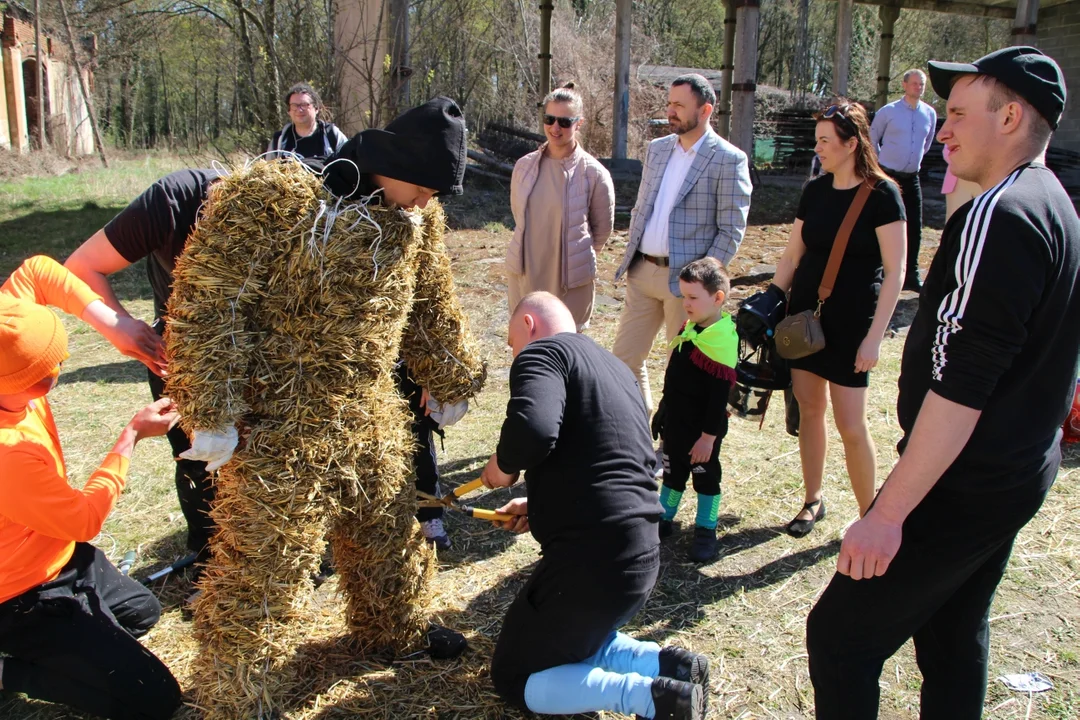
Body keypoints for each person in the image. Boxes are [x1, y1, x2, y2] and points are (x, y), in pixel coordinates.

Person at [807, 47, 1080, 719]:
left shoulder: (999, 214)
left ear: (1010, 117)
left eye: (957, 114)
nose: (942, 131)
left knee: (839, 638)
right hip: (1016, 471)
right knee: (954, 632)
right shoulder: (1055, 205)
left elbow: (963, 384)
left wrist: (887, 514)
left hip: (963, 483)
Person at [481, 292, 710, 720]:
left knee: (515, 675)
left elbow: (533, 431)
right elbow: (620, 464)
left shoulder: (544, 352)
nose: (515, 355)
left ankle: (652, 699)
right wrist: (541, 504)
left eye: (512, 344)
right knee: (568, 640)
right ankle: (665, 665)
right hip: (638, 554)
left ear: (529, 324)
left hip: (593, 562)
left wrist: (502, 466)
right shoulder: (615, 368)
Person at [0, 255, 182, 720]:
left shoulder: (7, 323)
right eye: (48, 371)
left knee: (142, 612)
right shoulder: (7, 455)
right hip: (19, 593)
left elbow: (38, 271)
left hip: (58, 554)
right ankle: (7, 672)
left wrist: (115, 325)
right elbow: (83, 520)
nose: (60, 369)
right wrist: (131, 437)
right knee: (154, 699)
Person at [771, 101, 906, 538]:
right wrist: (770, 298)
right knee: (810, 410)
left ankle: (871, 518)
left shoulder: (883, 195)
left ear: (852, 144)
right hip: (805, 320)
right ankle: (813, 500)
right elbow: (793, 254)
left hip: (852, 324)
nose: (818, 148)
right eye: (817, 140)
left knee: (851, 425)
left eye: (826, 141)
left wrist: (875, 339)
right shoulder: (815, 191)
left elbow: (896, 272)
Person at [612, 73, 752, 412]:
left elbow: (731, 229)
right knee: (623, 360)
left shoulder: (729, 159)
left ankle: (675, 439)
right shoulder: (657, 150)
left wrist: (702, 284)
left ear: (705, 110)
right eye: (669, 103)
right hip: (642, 271)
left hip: (688, 284)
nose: (670, 111)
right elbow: (643, 206)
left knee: (683, 369)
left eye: (679, 105)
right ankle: (638, 433)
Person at [506, 82, 615, 329]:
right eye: (550, 119)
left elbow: (601, 231)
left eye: (565, 122)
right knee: (527, 342)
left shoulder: (594, 174)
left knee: (565, 344)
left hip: (569, 280)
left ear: (579, 123)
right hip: (526, 273)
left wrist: (574, 255)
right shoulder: (524, 166)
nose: (555, 128)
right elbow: (518, 214)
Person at [650, 257, 737, 562]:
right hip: (677, 422)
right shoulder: (691, 328)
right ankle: (663, 517)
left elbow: (718, 400)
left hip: (702, 430)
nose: (685, 303)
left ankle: (706, 528)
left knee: (705, 477)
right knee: (672, 471)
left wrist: (708, 438)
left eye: (693, 297)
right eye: (683, 296)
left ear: (718, 298)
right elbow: (674, 376)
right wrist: (664, 409)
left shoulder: (720, 342)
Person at [870, 69, 937, 292]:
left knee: (914, 226)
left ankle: (911, 274)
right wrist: (880, 162)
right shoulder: (888, 112)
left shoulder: (929, 113)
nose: (919, 87)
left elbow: (926, 144)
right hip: (888, 175)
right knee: (882, 223)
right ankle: (879, 271)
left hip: (912, 177)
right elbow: (872, 138)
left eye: (922, 84)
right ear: (905, 85)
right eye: (915, 83)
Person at [266, 82, 348, 162]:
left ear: (316, 108)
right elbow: (268, 168)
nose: (299, 110)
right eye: (294, 105)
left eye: (304, 105)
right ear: (289, 111)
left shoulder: (331, 134)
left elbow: (349, 162)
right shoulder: (280, 140)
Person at [941, 144, 982, 223]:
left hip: (985, 181)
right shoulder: (954, 137)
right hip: (955, 183)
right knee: (955, 222)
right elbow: (947, 153)